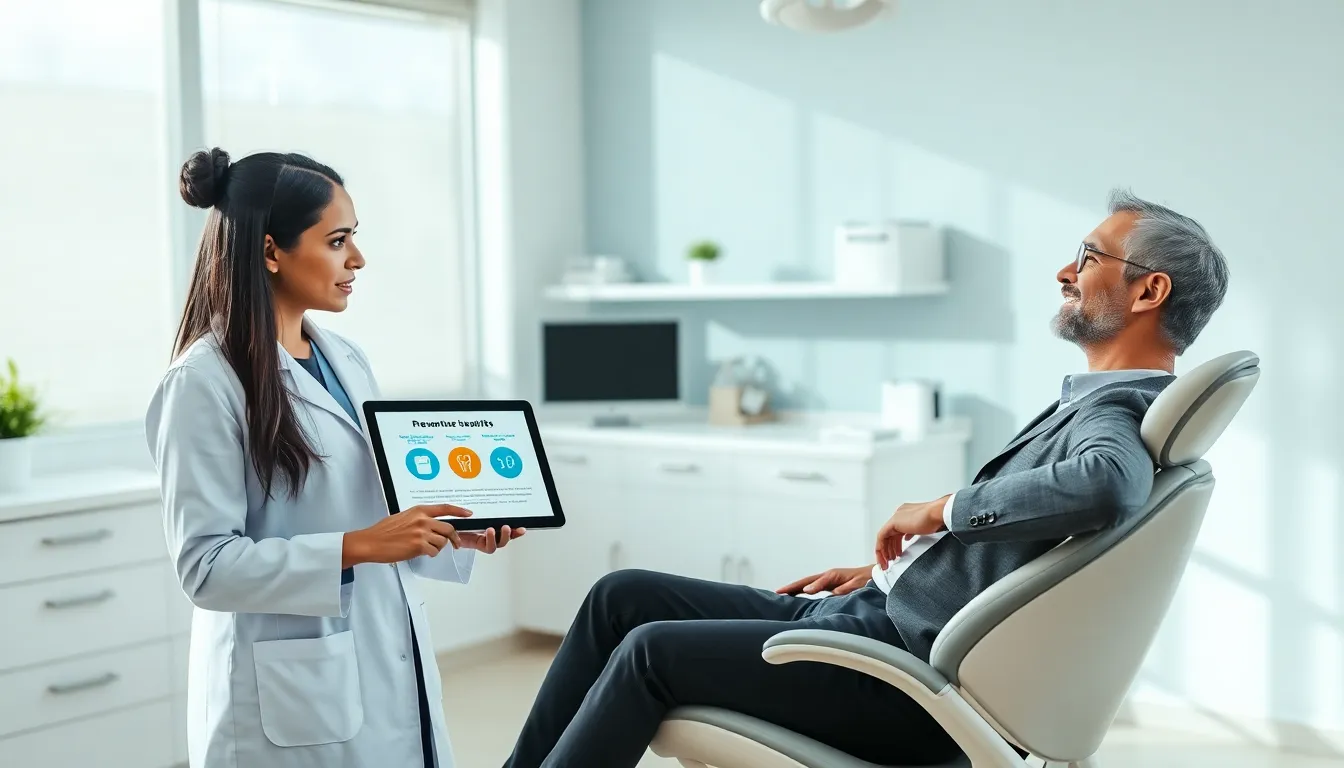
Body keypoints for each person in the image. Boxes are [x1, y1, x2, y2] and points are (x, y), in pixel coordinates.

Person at [504, 189, 1230, 767]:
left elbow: (1107, 483)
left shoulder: (1120, 412)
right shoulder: (1102, 402)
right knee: (618, 596)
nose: (1066, 272)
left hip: (893, 674)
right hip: (875, 614)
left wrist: (938, 510)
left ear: (1148, 292)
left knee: (650, 649)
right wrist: (893, 569)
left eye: (1090, 256)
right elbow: (1021, 551)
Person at [145, 148, 523, 768]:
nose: (358, 259)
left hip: (379, 653)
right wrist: (358, 546)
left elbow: (366, 501)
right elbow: (206, 568)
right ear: (271, 252)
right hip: (289, 695)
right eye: (337, 240)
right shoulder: (203, 383)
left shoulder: (346, 357)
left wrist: (449, 533)